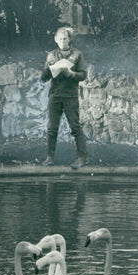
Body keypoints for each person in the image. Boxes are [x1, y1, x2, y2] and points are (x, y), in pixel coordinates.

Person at [40, 27, 88, 169]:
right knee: (51, 128)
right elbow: (43, 78)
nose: (62, 41)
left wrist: (71, 74)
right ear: (55, 40)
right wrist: (49, 69)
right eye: (60, 39)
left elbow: (83, 75)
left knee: (75, 127)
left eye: (65, 38)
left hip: (70, 96)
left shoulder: (77, 55)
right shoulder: (51, 56)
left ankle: (82, 158)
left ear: (69, 39)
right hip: (55, 95)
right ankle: (49, 157)